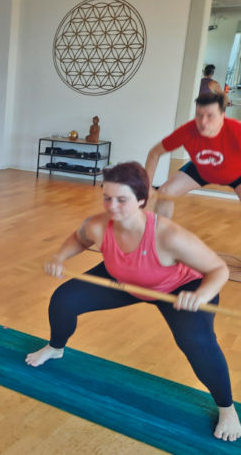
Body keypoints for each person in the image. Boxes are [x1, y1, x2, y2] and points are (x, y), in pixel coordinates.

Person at [25, 162, 241, 442]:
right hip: (125, 279)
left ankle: (227, 409)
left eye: (122, 200)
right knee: (64, 300)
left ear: (142, 200)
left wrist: (199, 296)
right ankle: (55, 348)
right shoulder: (98, 225)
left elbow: (219, 270)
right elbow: (79, 239)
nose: (112, 206)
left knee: (197, 344)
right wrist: (59, 258)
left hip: (178, 288)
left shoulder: (168, 235)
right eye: (107, 197)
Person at [145, 92, 241, 218]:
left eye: (210, 116)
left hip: (236, 172)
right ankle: (160, 233)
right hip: (202, 168)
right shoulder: (188, 130)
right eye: (199, 115)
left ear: (223, 115)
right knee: (165, 192)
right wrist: (145, 186)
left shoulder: (236, 130)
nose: (203, 122)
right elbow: (154, 153)